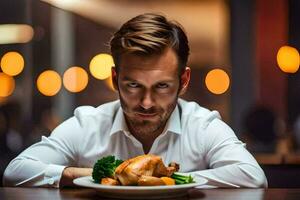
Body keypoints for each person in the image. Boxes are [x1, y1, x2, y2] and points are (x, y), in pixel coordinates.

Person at [3, 13, 267, 188]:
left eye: (162, 86)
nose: (147, 103)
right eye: (133, 85)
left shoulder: (203, 125)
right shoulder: (89, 123)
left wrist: (161, 180)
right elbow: (15, 171)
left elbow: (253, 178)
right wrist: (85, 175)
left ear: (183, 81)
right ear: (116, 79)